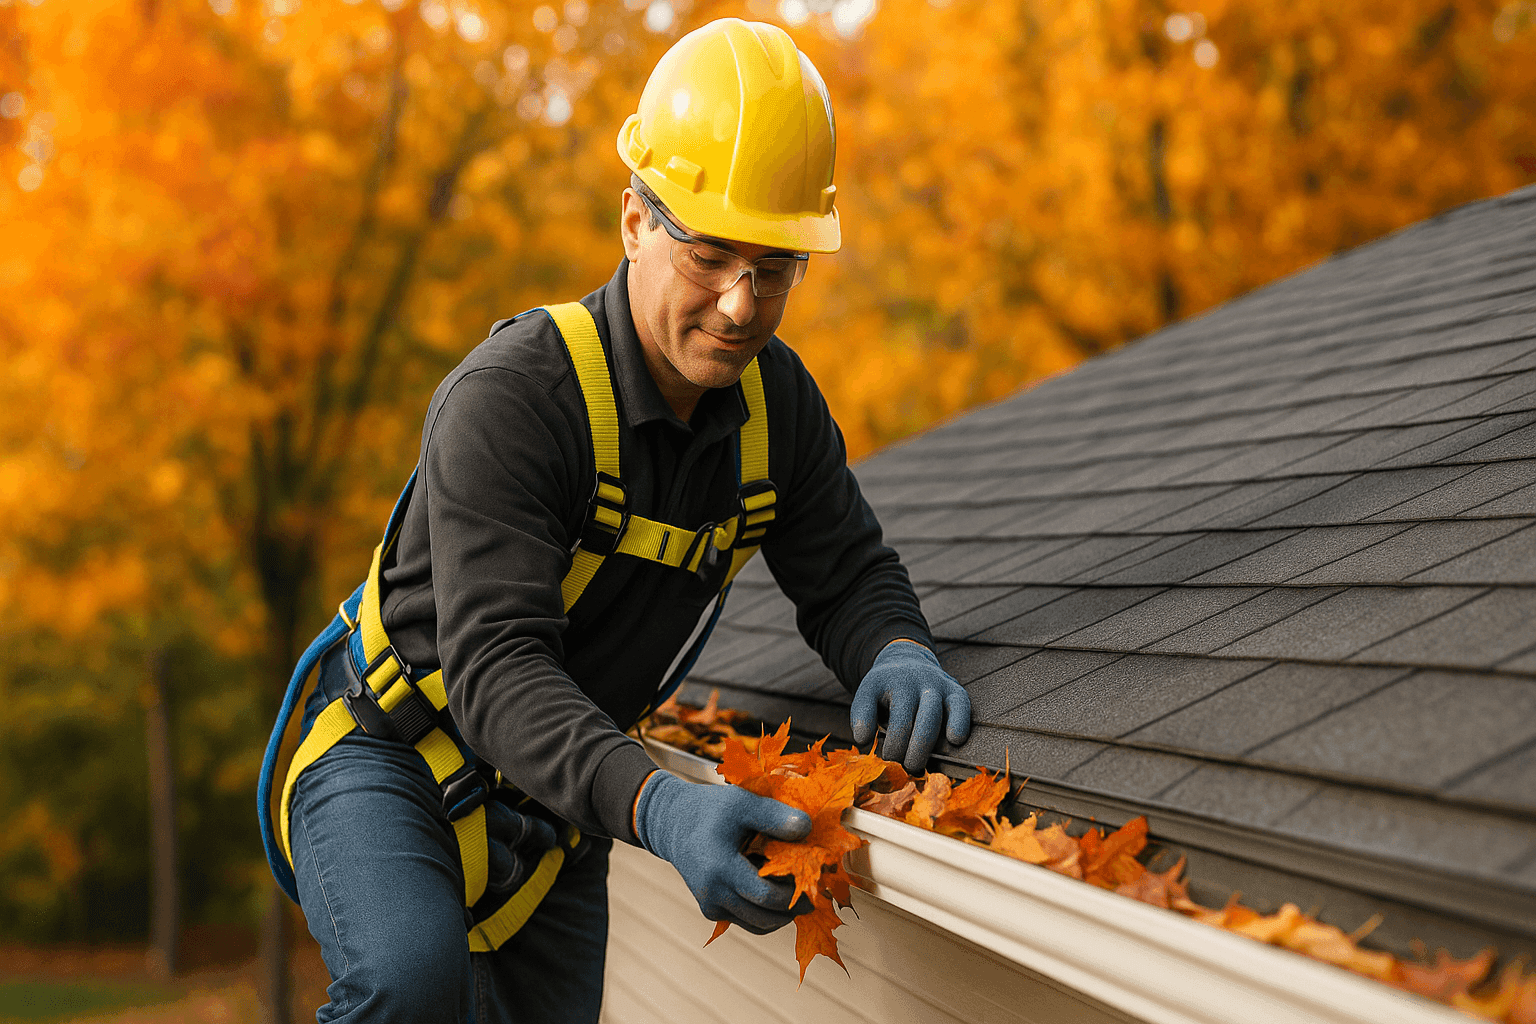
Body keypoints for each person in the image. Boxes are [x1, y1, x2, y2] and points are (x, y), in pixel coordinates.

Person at [265, 17, 970, 1023]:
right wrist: (660, 805)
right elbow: (497, 667)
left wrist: (896, 646)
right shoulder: (515, 400)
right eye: (710, 255)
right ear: (636, 222)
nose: (741, 305)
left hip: (558, 809)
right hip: (395, 750)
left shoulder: (777, 411)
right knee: (411, 990)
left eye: (775, 267)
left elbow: (848, 575)